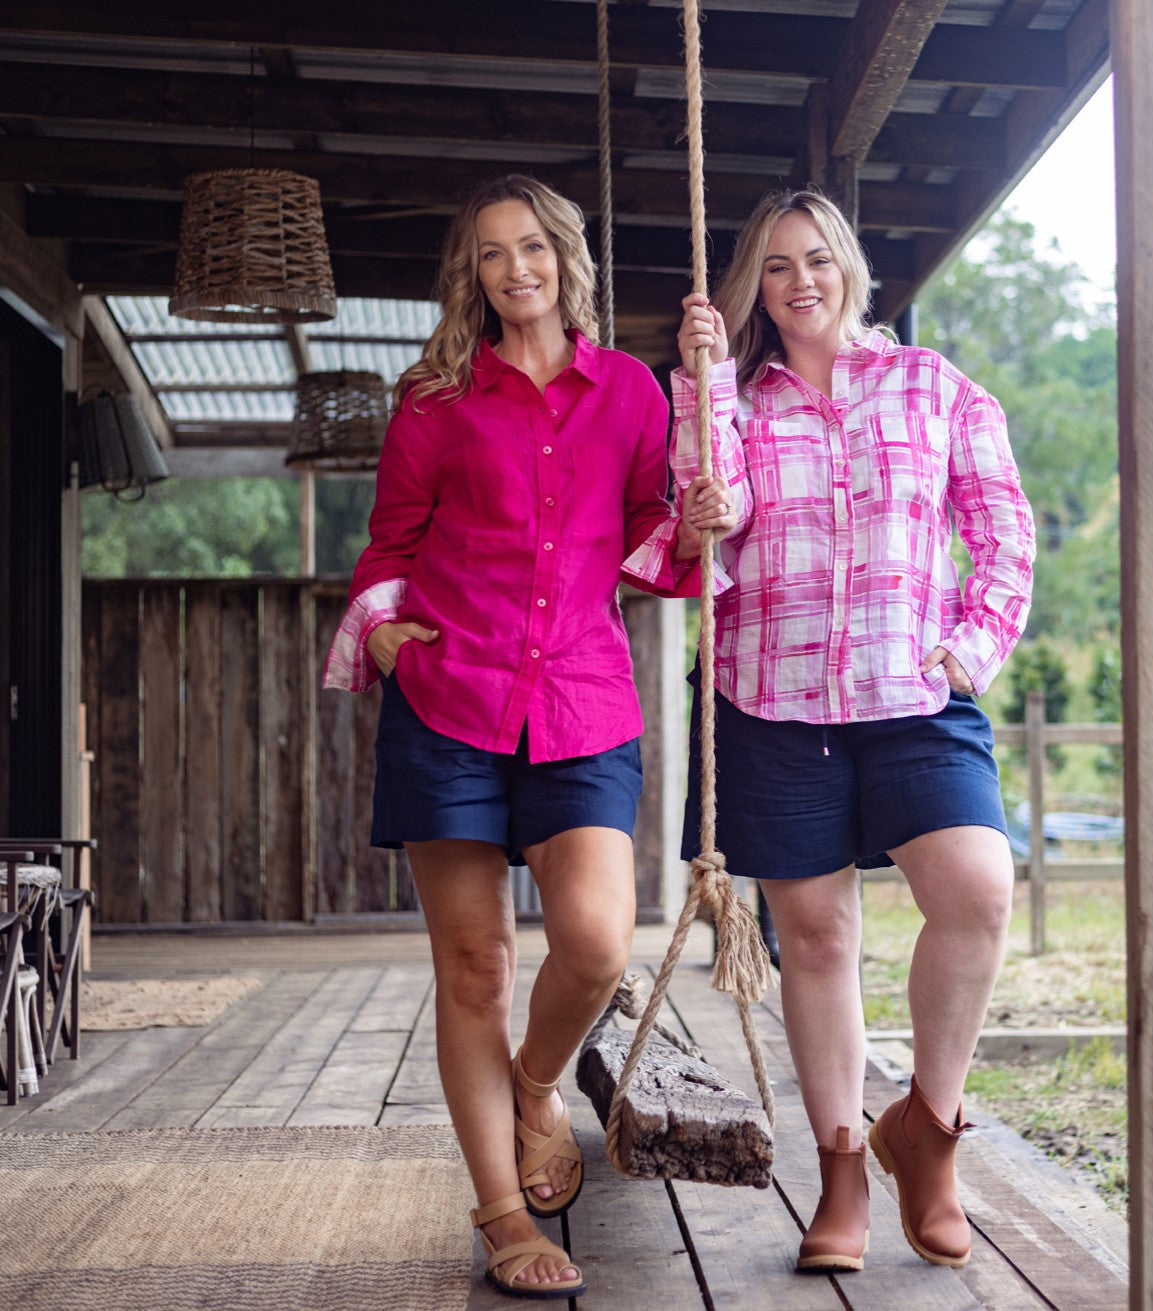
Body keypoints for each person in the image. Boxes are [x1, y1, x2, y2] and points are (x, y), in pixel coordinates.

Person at [322, 173, 731, 1300]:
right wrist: (391, 633)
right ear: (474, 275)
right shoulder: (433, 399)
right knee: (476, 967)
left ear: (566, 256)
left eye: (534, 248)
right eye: (493, 254)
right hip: (450, 705)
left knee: (597, 943)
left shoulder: (636, 393)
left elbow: (659, 534)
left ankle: (537, 1084)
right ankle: (504, 1214)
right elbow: (388, 544)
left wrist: (693, 517)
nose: (518, 270)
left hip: (584, 705)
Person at [652, 188, 1035, 1273]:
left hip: (913, 693)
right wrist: (702, 402)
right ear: (756, 290)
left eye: (818, 260)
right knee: (815, 939)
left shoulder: (933, 386)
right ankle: (842, 1173)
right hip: (770, 697)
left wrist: (969, 648)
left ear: (852, 270)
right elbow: (702, 545)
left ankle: (928, 1127)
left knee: (977, 890)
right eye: (777, 267)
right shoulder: (733, 399)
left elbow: (1003, 530)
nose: (801, 281)